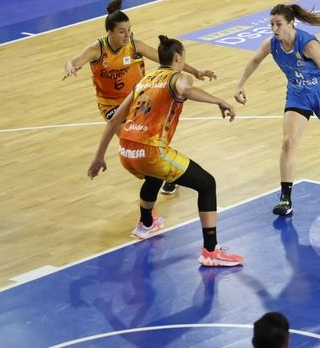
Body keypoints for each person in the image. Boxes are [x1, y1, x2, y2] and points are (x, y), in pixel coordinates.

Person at [87, 35, 243, 267]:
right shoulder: (178, 77)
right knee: (207, 183)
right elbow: (186, 90)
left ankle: (146, 223)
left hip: (126, 151)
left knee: (155, 174)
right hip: (150, 150)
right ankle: (211, 251)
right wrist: (219, 101)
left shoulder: (144, 80)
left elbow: (113, 121)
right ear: (178, 57)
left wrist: (99, 157)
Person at [63, 0, 215, 194]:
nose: (127, 35)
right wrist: (70, 66)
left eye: (129, 30)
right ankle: (156, 179)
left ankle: (163, 174)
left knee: (152, 139)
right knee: (134, 143)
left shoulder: (136, 46)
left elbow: (166, 59)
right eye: (121, 31)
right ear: (109, 32)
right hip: (111, 107)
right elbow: (73, 61)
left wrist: (195, 72)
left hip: (139, 101)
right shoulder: (97, 49)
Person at [234, 3, 320, 216]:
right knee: (288, 142)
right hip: (299, 94)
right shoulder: (271, 44)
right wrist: (239, 85)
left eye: (279, 24)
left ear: (291, 24)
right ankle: (286, 198)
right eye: (271, 24)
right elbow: (255, 59)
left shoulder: (308, 46)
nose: (275, 29)